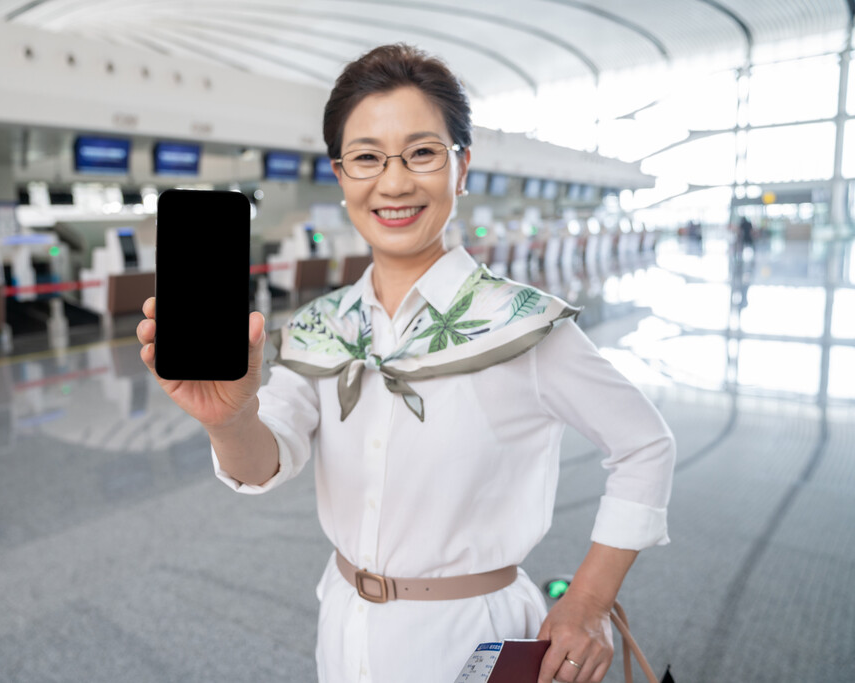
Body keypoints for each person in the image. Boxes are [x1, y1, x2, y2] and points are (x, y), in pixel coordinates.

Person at [137, 44, 675, 683]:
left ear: (462, 166)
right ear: (341, 175)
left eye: (422, 152)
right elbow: (265, 463)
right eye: (366, 157)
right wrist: (228, 421)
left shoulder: (522, 324)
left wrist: (587, 601)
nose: (393, 183)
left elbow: (645, 446)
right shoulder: (324, 326)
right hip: (345, 626)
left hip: (478, 636)